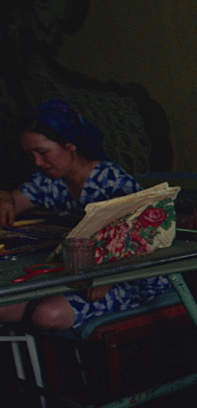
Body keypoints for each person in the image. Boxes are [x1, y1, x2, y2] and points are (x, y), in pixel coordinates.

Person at [0, 99, 171, 331]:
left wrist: (107, 277)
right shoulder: (50, 182)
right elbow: (13, 200)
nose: (37, 162)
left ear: (69, 144)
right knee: (4, 307)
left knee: (47, 314)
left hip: (130, 277)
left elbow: (144, 235)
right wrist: (4, 197)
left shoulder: (109, 179)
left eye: (42, 152)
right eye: (31, 155)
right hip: (81, 274)